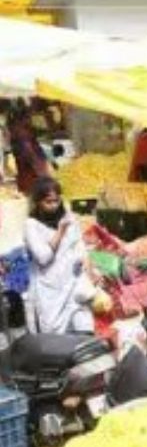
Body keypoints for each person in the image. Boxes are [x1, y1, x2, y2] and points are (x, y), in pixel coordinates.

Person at [24, 177, 95, 334]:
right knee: (54, 334)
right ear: (38, 202)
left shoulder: (68, 218)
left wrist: (89, 268)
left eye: (56, 200)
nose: (54, 205)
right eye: (48, 202)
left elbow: (79, 244)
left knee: (84, 328)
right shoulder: (32, 225)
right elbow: (43, 257)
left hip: (73, 284)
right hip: (49, 289)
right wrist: (60, 232)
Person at [8, 103, 49, 194]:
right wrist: (39, 167)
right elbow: (29, 150)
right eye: (28, 116)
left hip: (24, 162)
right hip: (30, 163)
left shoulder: (16, 129)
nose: (30, 119)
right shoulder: (22, 131)